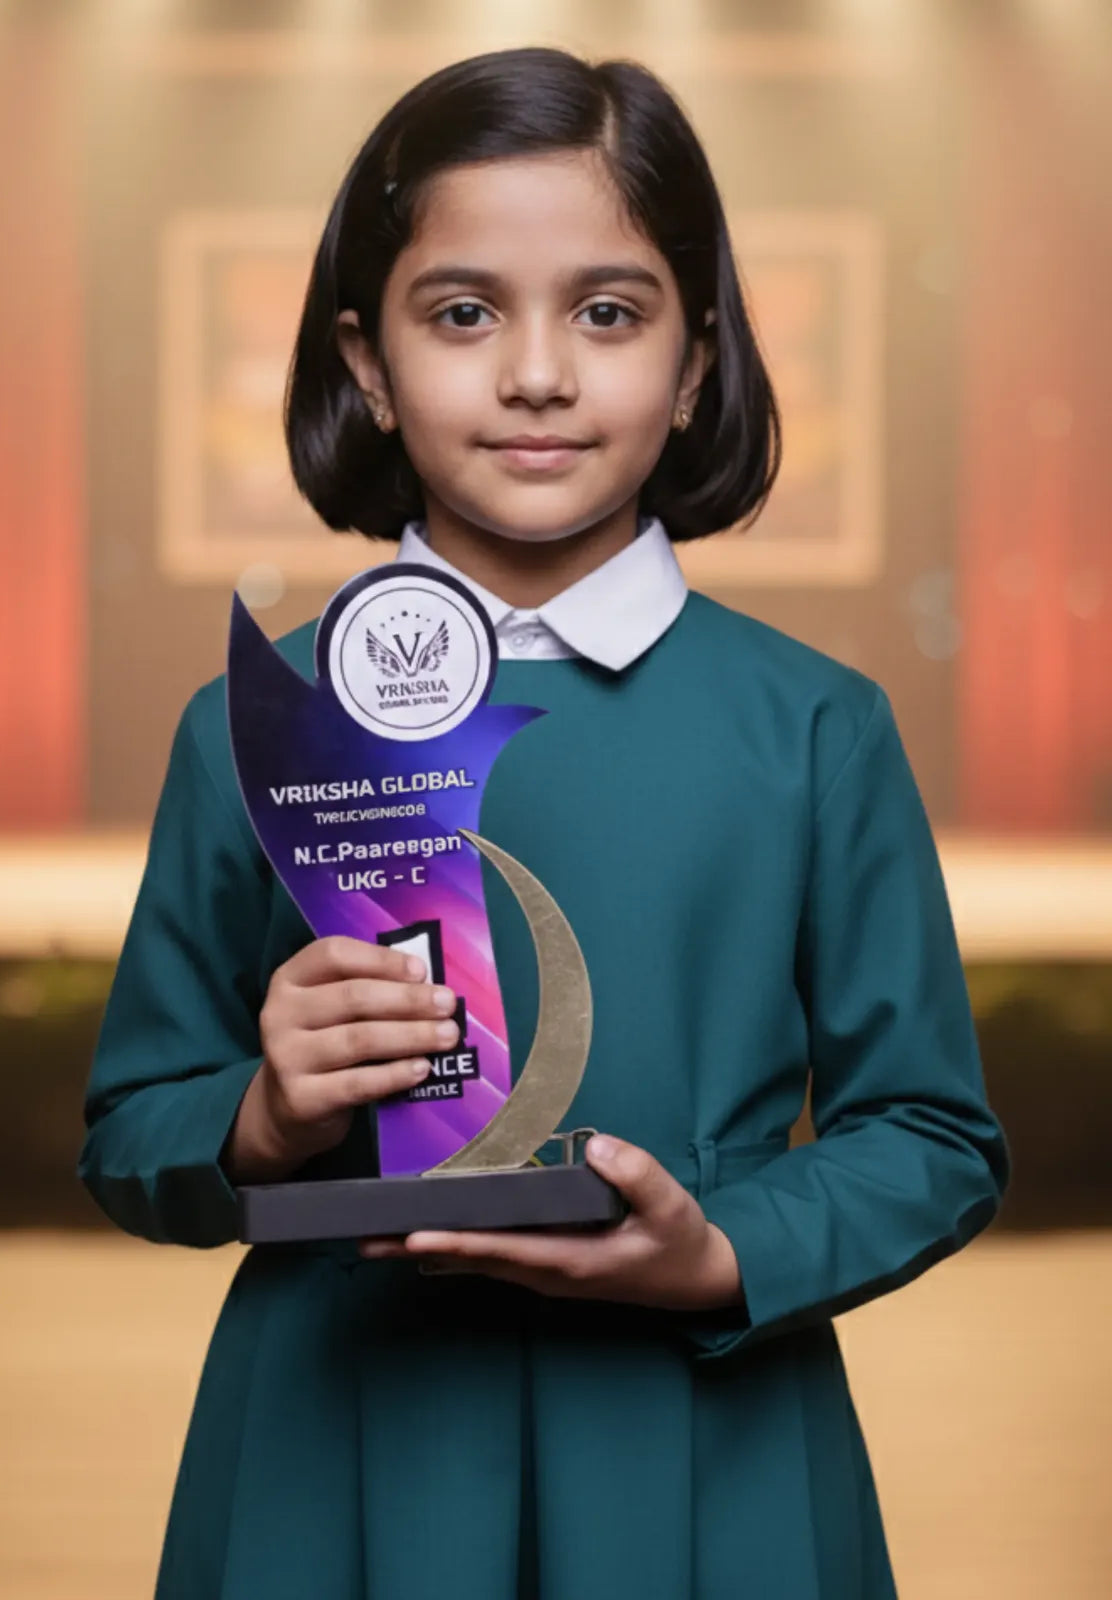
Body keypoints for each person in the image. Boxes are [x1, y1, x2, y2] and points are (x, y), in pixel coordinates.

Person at [79, 46, 1009, 1600]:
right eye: (461, 313)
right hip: (342, 1451)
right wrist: (262, 1111)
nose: (535, 374)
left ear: (697, 362)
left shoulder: (812, 726)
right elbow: (133, 1130)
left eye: (607, 311)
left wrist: (722, 1253)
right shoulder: (254, 719)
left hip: (707, 1444)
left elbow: (931, 1136)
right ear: (366, 362)